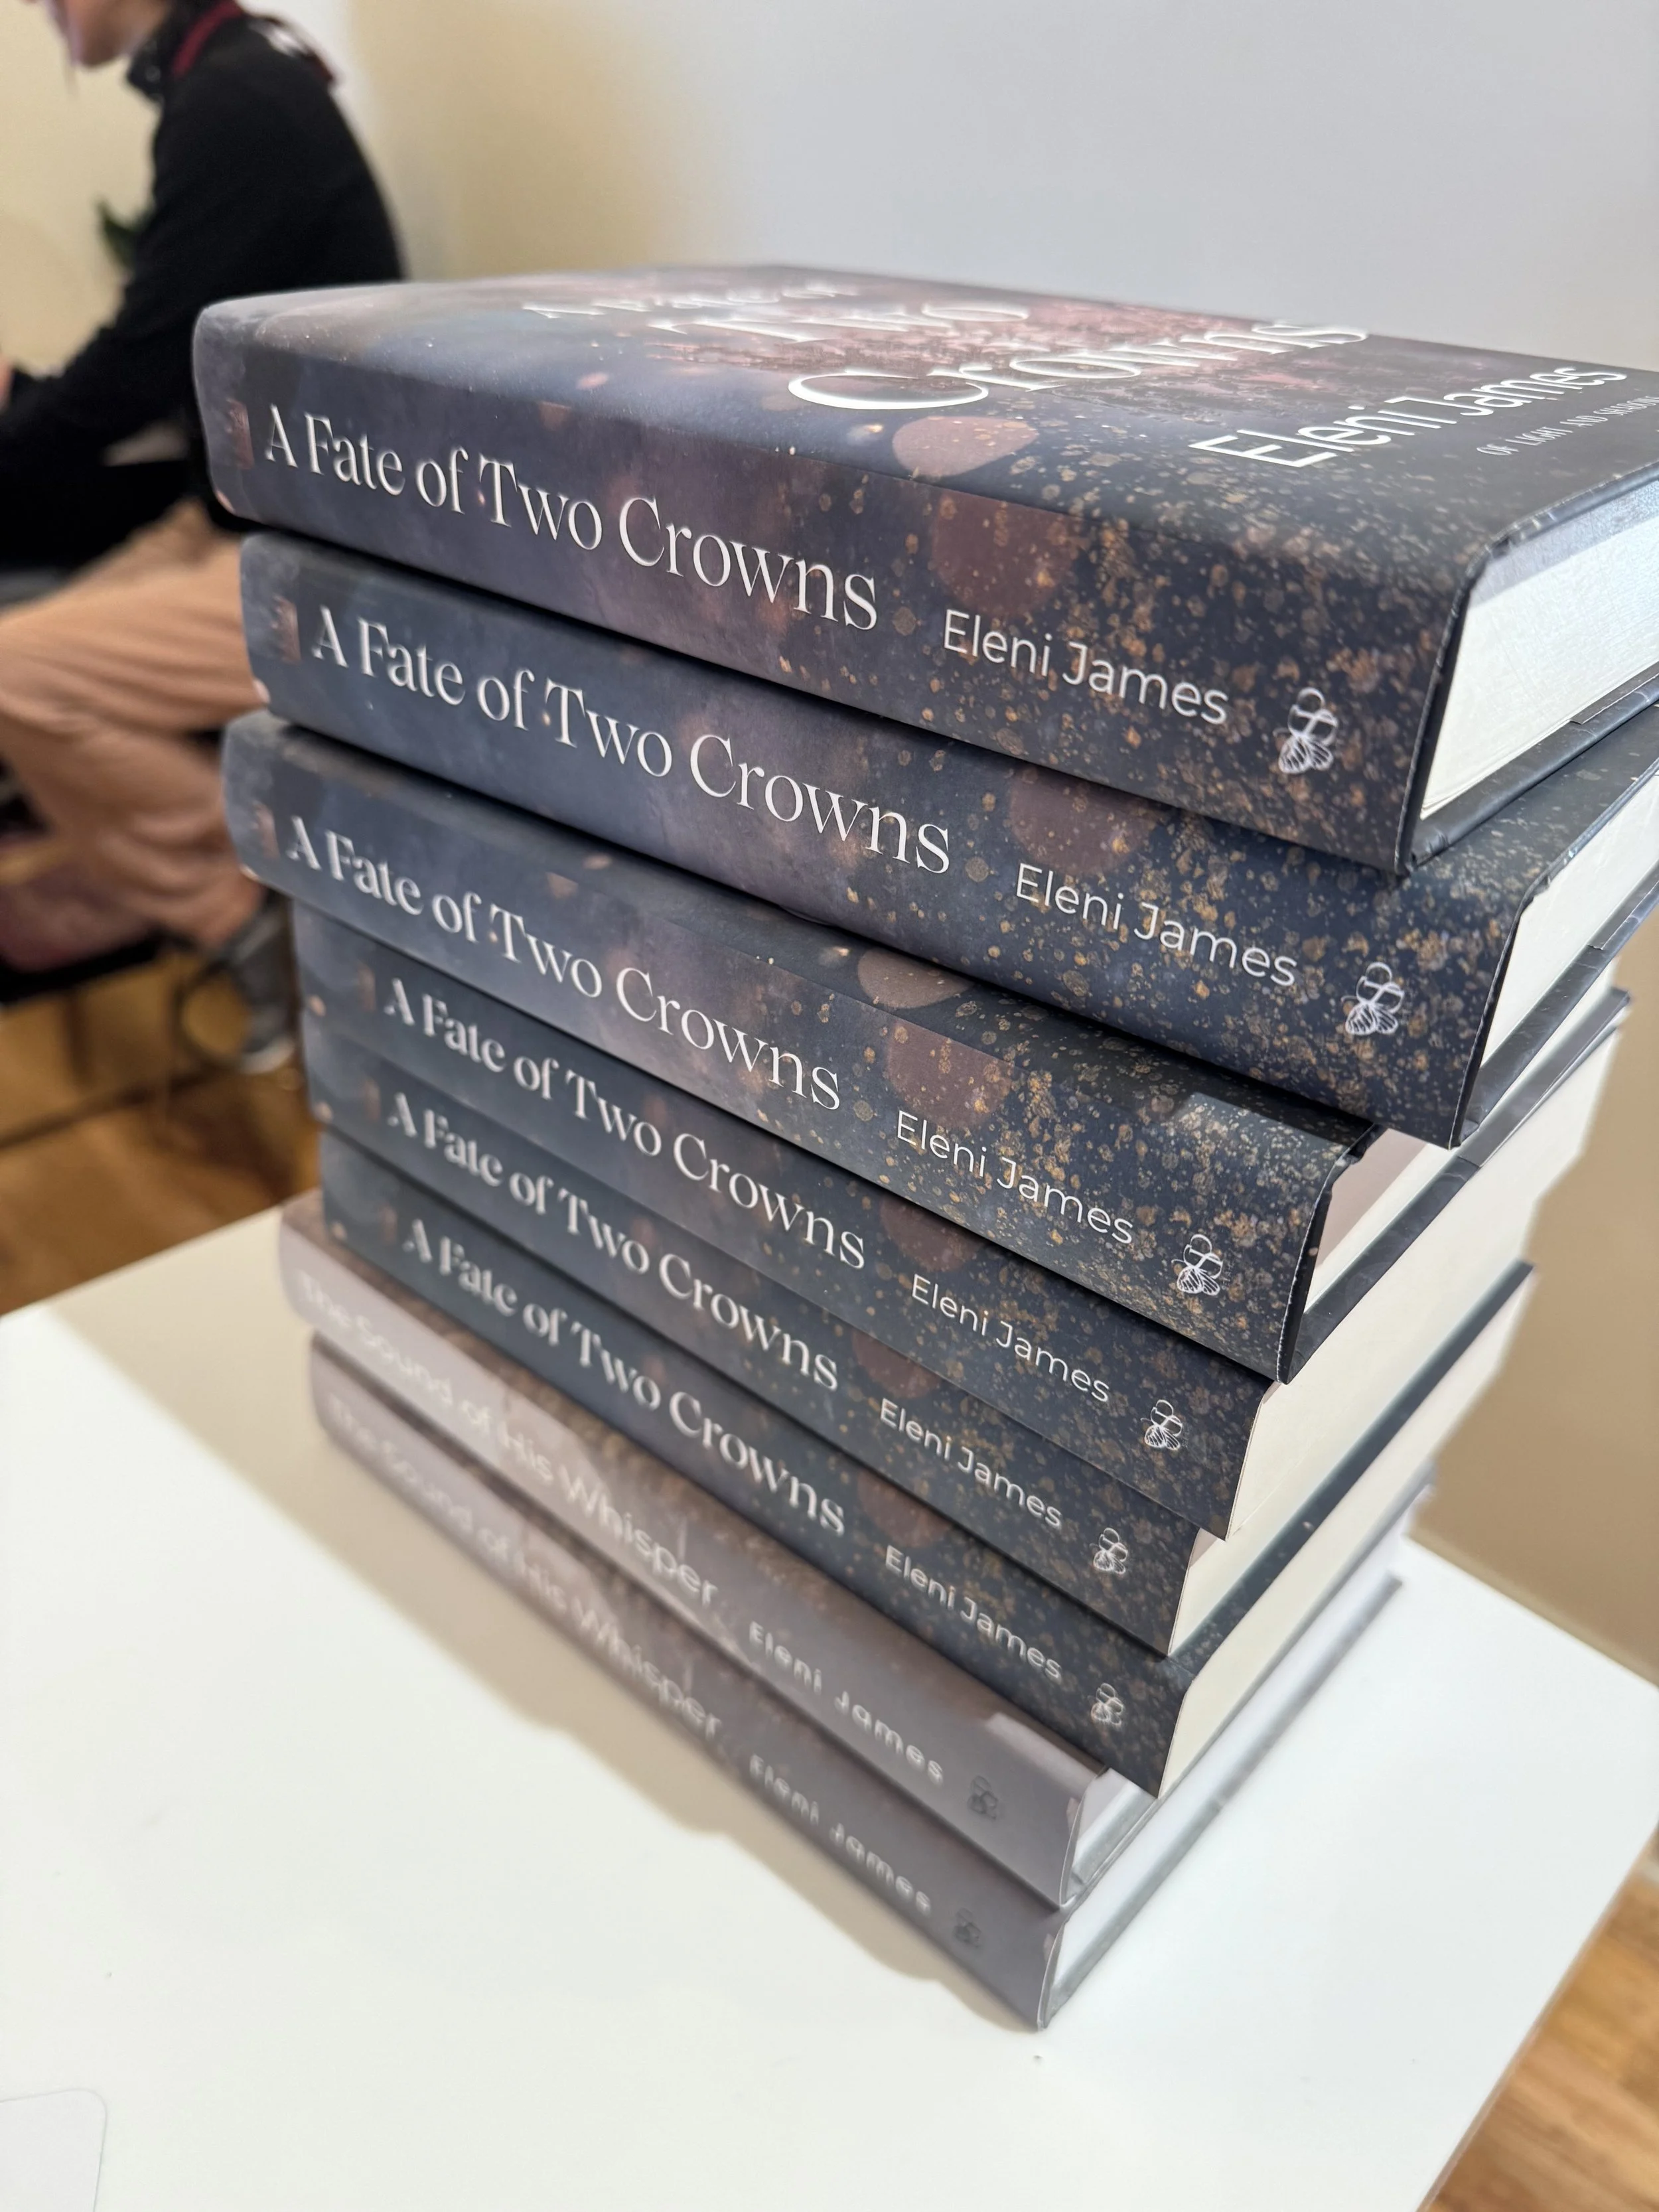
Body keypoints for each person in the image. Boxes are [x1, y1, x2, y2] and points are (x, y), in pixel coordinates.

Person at [0, 0, 401, 1060]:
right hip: (241, 514)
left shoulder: (235, 99)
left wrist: (24, 423)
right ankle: (186, 876)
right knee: (35, 658)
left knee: (12, 675)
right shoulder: (226, 76)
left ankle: (241, 904)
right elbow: (174, 345)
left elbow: (139, 360)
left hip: (323, 555)